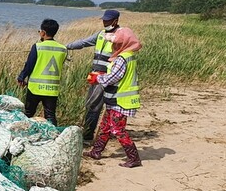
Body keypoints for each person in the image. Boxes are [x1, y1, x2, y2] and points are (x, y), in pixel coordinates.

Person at [83, 27, 143, 167]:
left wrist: (98, 78)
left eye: (116, 43)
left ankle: (134, 158)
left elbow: (114, 77)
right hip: (114, 99)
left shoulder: (123, 58)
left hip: (120, 101)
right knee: (105, 127)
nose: (113, 45)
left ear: (123, 43)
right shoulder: (128, 55)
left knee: (117, 130)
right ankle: (96, 151)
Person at [66, 9, 121, 140]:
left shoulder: (120, 35)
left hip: (107, 77)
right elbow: (84, 42)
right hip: (95, 76)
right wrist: (67, 46)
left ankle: (87, 136)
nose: (105, 22)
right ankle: (98, 131)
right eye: (104, 20)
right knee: (91, 104)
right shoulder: (101, 34)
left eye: (107, 20)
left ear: (115, 21)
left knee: (93, 106)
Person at [17, 18, 67, 125]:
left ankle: (25, 134)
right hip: (52, 90)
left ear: (43, 32)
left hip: (35, 88)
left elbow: (29, 65)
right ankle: (53, 136)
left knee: (28, 113)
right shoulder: (63, 49)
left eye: (40, 31)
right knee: (50, 115)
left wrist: (21, 77)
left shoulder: (37, 47)